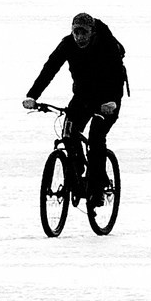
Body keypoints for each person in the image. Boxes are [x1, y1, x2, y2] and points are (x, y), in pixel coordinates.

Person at [24, 11, 127, 204]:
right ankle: (76, 170)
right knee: (69, 131)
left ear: (92, 32)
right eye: (76, 32)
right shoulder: (67, 45)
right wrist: (32, 95)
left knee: (96, 136)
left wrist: (112, 101)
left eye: (84, 33)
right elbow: (50, 68)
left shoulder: (106, 44)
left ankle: (97, 187)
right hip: (82, 97)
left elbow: (115, 75)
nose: (80, 37)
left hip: (108, 100)